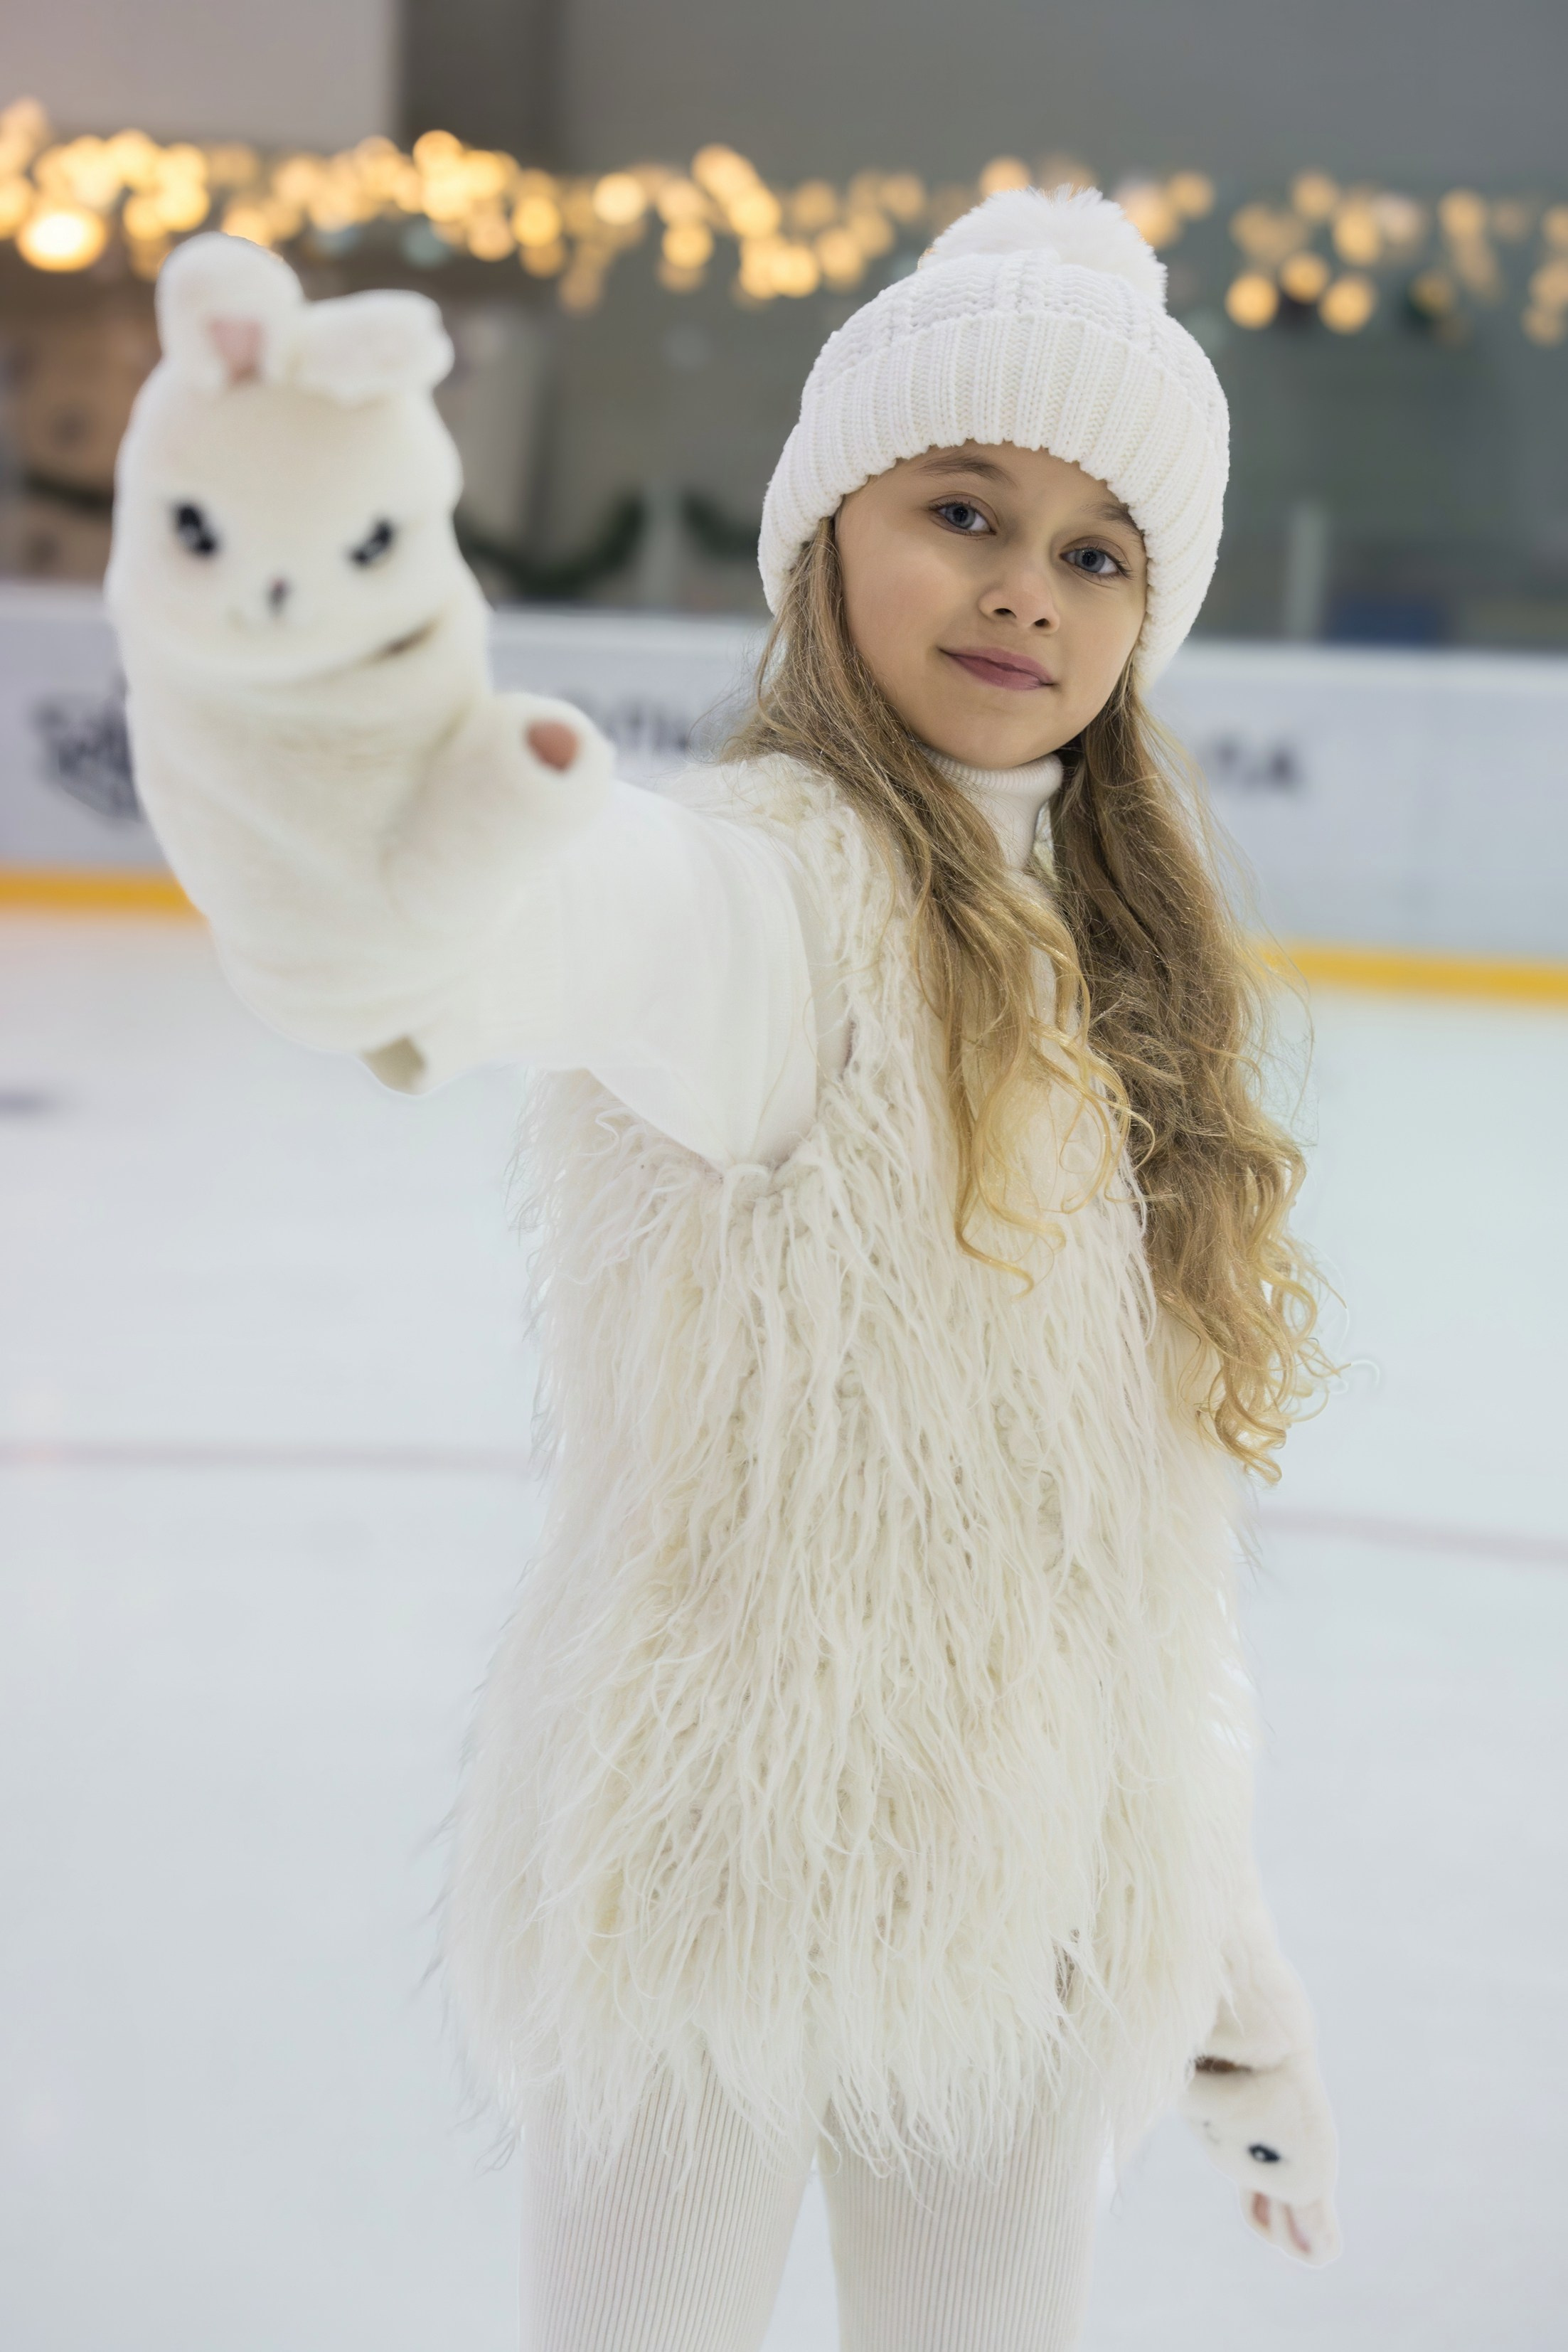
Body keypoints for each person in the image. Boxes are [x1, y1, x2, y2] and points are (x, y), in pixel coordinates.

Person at [108, 186, 1341, 2352]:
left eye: (1095, 549)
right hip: (719, 1884)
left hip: (1038, 1922)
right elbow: (505, 915)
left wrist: (1225, 1963)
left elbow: (1142, 1561)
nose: (1024, 590)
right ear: (826, 531)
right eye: (965, 503)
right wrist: (305, 669)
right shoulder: (771, 904)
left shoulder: (1131, 977)